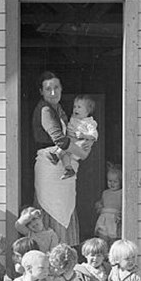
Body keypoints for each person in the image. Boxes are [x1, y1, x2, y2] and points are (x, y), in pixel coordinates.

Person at [32, 71, 93, 247]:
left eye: (56, 87)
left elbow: (70, 137)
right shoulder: (45, 109)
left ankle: (64, 252)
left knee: (65, 207)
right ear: (41, 92)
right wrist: (82, 153)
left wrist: (84, 141)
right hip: (50, 165)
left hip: (63, 164)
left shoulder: (58, 110)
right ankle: (52, 249)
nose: (53, 92)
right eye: (48, 89)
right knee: (52, 207)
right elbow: (59, 139)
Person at [47, 95, 98, 180]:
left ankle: (56, 156)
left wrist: (84, 135)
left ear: (87, 111)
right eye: (74, 107)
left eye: (79, 107)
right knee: (65, 154)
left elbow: (94, 135)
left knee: (66, 146)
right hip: (72, 142)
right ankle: (69, 169)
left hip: (80, 144)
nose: (75, 109)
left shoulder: (90, 122)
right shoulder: (74, 118)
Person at [94, 162, 122, 245]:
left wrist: (121, 215)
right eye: (109, 181)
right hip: (104, 219)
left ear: (121, 181)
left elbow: (123, 206)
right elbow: (102, 202)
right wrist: (99, 205)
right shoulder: (105, 193)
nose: (112, 184)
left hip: (115, 219)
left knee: (114, 240)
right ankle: (104, 254)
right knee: (103, 239)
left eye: (115, 181)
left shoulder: (121, 193)